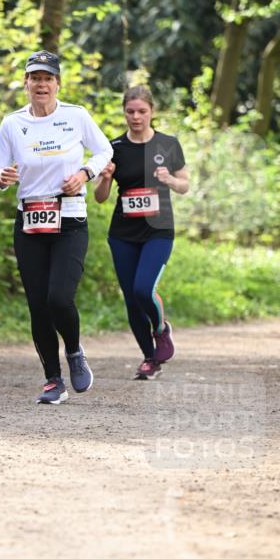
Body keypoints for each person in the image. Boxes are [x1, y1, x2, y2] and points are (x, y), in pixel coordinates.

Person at [0, 50, 112, 405]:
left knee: (59, 298)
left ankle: (74, 351)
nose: (41, 85)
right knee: (38, 305)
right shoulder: (12, 123)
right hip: (29, 220)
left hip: (70, 217)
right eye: (35, 78)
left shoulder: (76, 116)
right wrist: (3, 177)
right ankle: (52, 380)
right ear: (26, 83)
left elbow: (103, 150)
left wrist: (85, 174)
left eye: (47, 79)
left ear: (57, 83)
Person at [94, 86, 189, 380]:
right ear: (124, 112)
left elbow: (184, 185)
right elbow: (99, 196)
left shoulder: (168, 144)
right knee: (131, 300)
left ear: (152, 112)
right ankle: (150, 359)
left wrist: (170, 180)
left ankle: (161, 329)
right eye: (130, 111)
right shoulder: (113, 148)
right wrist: (106, 178)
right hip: (123, 232)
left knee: (143, 289)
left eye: (142, 111)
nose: (136, 117)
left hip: (159, 231)